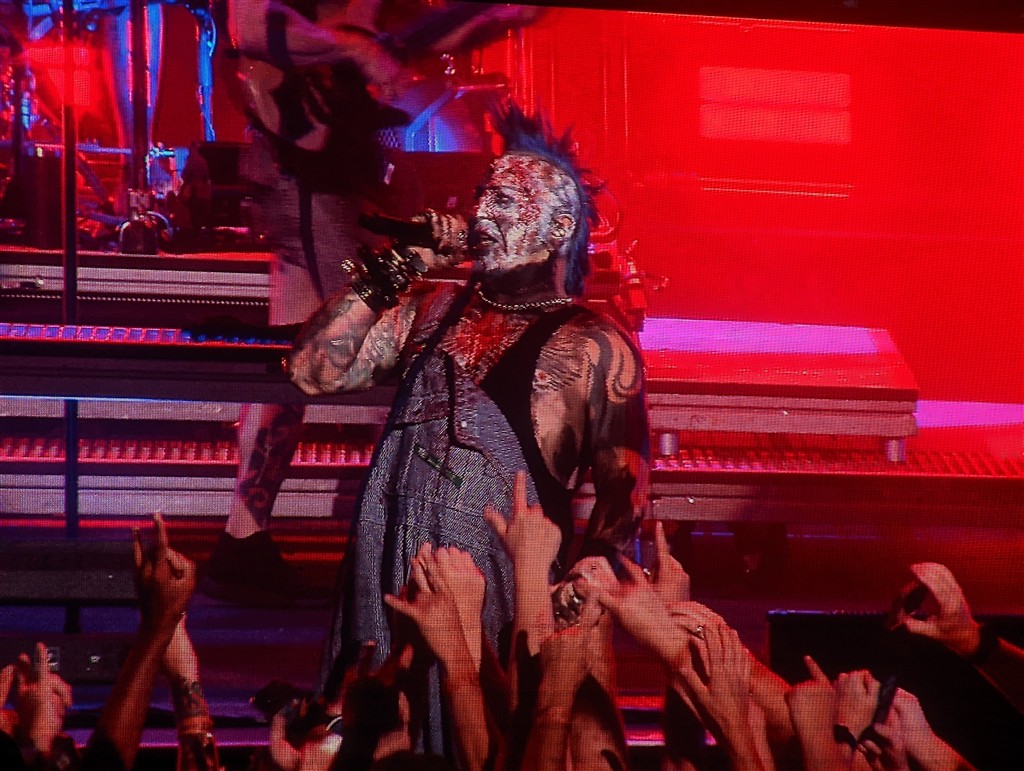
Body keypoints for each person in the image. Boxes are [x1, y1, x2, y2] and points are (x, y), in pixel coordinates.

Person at [288, 100, 650, 756]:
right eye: (482, 195)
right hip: (386, 592)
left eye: (505, 201)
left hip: (498, 611)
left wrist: (571, 599)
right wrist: (395, 268)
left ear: (559, 227)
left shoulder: (594, 344)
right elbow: (312, 370)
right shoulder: (428, 310)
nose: (481, 212)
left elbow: (625, 496)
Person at [204, 0, 544, 605]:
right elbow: (250, 26)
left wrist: (485, 19)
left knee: (295, 366)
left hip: (319, 178)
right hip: (306, 182)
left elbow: (396, 39)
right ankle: (416, 542)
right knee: (380, 347)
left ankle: (244, 538)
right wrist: (356, 50)